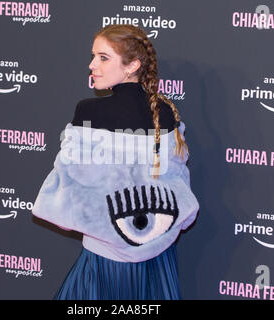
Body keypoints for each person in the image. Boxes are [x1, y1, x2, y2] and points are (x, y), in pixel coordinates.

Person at [32, 24, 199, 300]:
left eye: (103, 57)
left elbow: (67, 193)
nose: (92, 65)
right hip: (159, 259)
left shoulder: (89, 112)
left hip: (104, 260)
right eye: (94, 56)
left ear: (132, 65)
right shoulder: (167, 113)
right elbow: (177, 188)